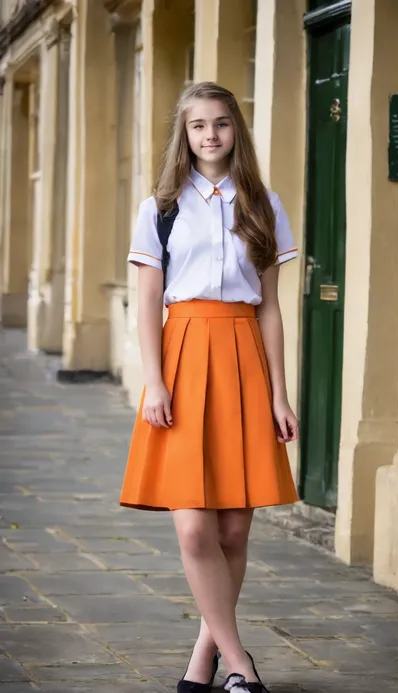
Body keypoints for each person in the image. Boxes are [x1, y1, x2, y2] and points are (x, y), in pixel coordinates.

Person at [120, 81, 299, 693]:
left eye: (221, 123)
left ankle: (205, 662)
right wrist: (155, 380)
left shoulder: (264, 204)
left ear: (235, 130)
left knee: (232, 532)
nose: (211, 135)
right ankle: (241, 663)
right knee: (194, 529)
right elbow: (147, 302)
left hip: (244, 357)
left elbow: (271, 308)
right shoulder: (161, 207)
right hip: (183, 357)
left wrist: (279, 393)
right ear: (185, 134)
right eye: (199, 126)